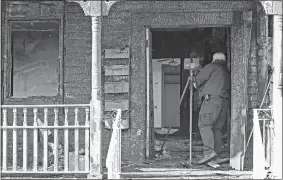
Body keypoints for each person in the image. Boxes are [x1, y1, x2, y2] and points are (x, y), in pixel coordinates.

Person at [191, 52, 231, 165]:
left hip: (212, 101)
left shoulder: (211, 67)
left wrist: (193, 77)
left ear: (214, 59)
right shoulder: (226, 71)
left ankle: (208, 152)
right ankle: (216, 155)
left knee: (204, 125)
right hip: (224, 102)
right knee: (216, 128)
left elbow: (197, 82)